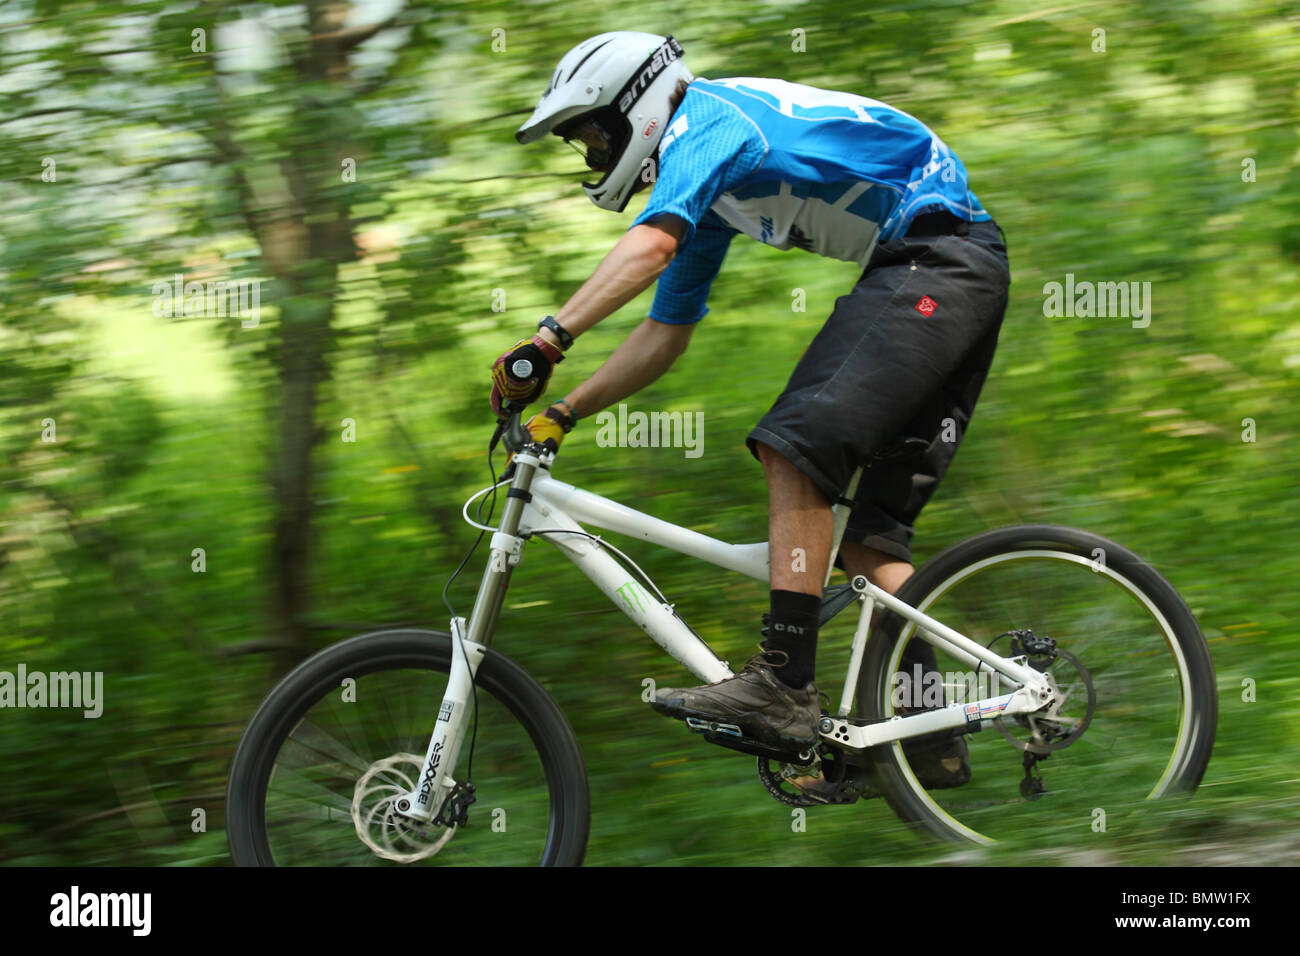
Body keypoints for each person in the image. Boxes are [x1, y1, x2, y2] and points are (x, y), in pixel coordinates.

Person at [490, 31, 1010, 794]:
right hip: (954, 270)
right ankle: (925, 744)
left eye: (593, 134)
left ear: (639, 104)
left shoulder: (708, 120)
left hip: (937, 264)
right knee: (870, 548)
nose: (593, 155)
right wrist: (563, 412)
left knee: (797, 444)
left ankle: (784, 686)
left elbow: (648, 251)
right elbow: (665, 333)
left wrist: (547, 340)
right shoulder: (712, 185)